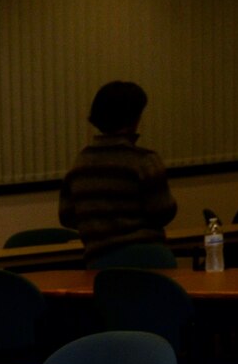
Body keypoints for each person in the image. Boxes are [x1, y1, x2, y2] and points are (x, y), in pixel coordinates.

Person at [57, 80, 177, 265]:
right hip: (149, 258)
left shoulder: (80, 164)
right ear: (134, 118)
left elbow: (67, 215)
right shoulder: (144, 160)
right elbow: (163, 212)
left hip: (99, 261)